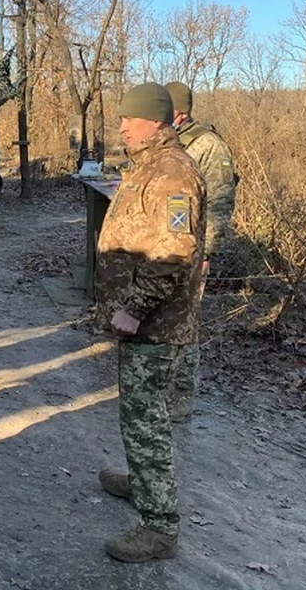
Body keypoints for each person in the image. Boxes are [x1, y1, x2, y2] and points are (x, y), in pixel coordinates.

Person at [94, 82, 206, 563]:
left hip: (155, 325)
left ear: (157, 122)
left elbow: (173, 253)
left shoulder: (172, 174)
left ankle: (160, 526)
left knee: (146, 420)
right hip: (148, 323)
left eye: (130, 119)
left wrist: (134, 308)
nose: (121, 126)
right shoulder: (150, 168)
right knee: (138, 414)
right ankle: (142, 482)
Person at [163, 81, 237, 420]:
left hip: (194, 251)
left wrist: (207, 253)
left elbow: (220, 204)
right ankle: (160, 390)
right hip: (166, 248)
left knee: (185, 325)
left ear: (179, 111)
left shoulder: (209, 146)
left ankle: (180, 400)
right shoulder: (172, 142)